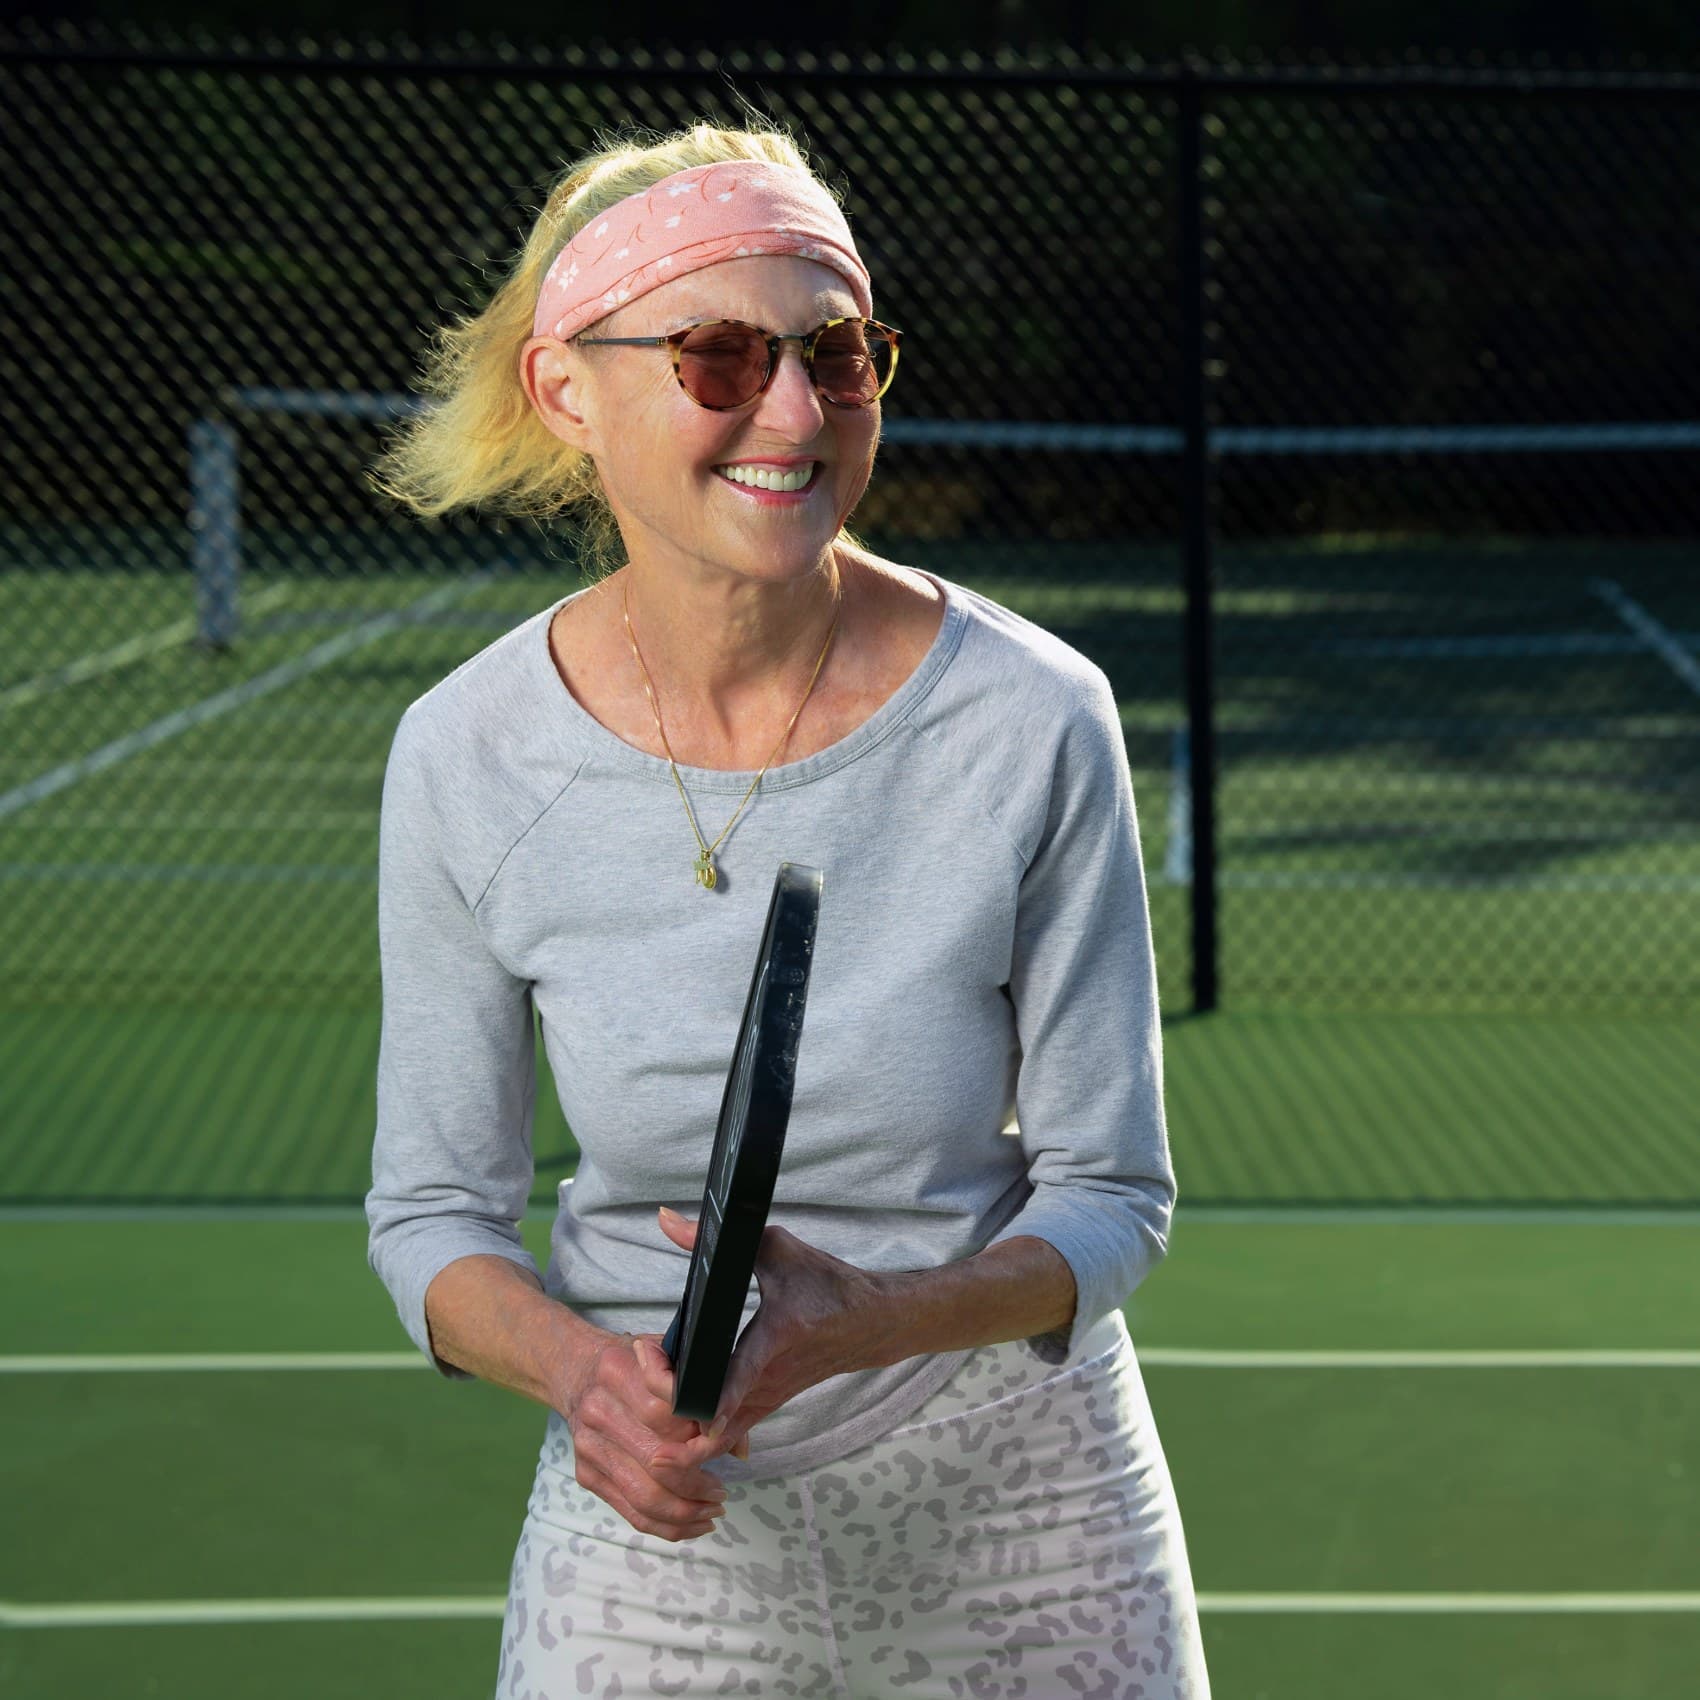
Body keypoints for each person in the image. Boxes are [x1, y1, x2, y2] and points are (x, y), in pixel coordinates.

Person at [365, 116, 1211, 1699]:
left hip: (1024, 1490)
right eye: (717, 357)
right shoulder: (467, 756)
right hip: (659, 1509)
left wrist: (879, 1317)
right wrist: (593, 1382)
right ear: (569, 390)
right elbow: (430, 1221)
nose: (797, 409)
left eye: (836, 352)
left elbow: (1111, 1193)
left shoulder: (1037, 716)